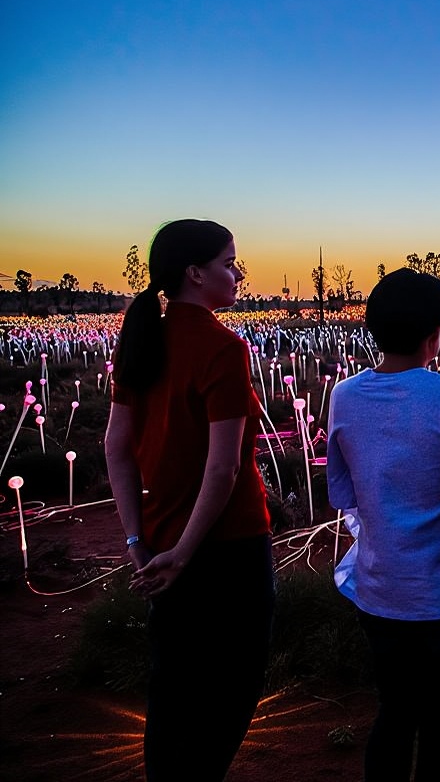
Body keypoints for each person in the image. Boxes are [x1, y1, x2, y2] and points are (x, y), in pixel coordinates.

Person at [104, 219, 274, 782]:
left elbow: (117, 449)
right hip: (227, 548)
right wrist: (185, 552)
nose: (237, 273)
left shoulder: (143, 339)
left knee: (173, 681)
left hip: (158, 543)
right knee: (233, 683)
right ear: (195, 274)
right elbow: (222, 469)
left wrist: (141, 541)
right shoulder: (222, 347)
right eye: (229, 262)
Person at [326, 268, 440, 781]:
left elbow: (343, 493)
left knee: (393, 713)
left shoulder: (343, 397)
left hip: (380, 590)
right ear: (435, 333)